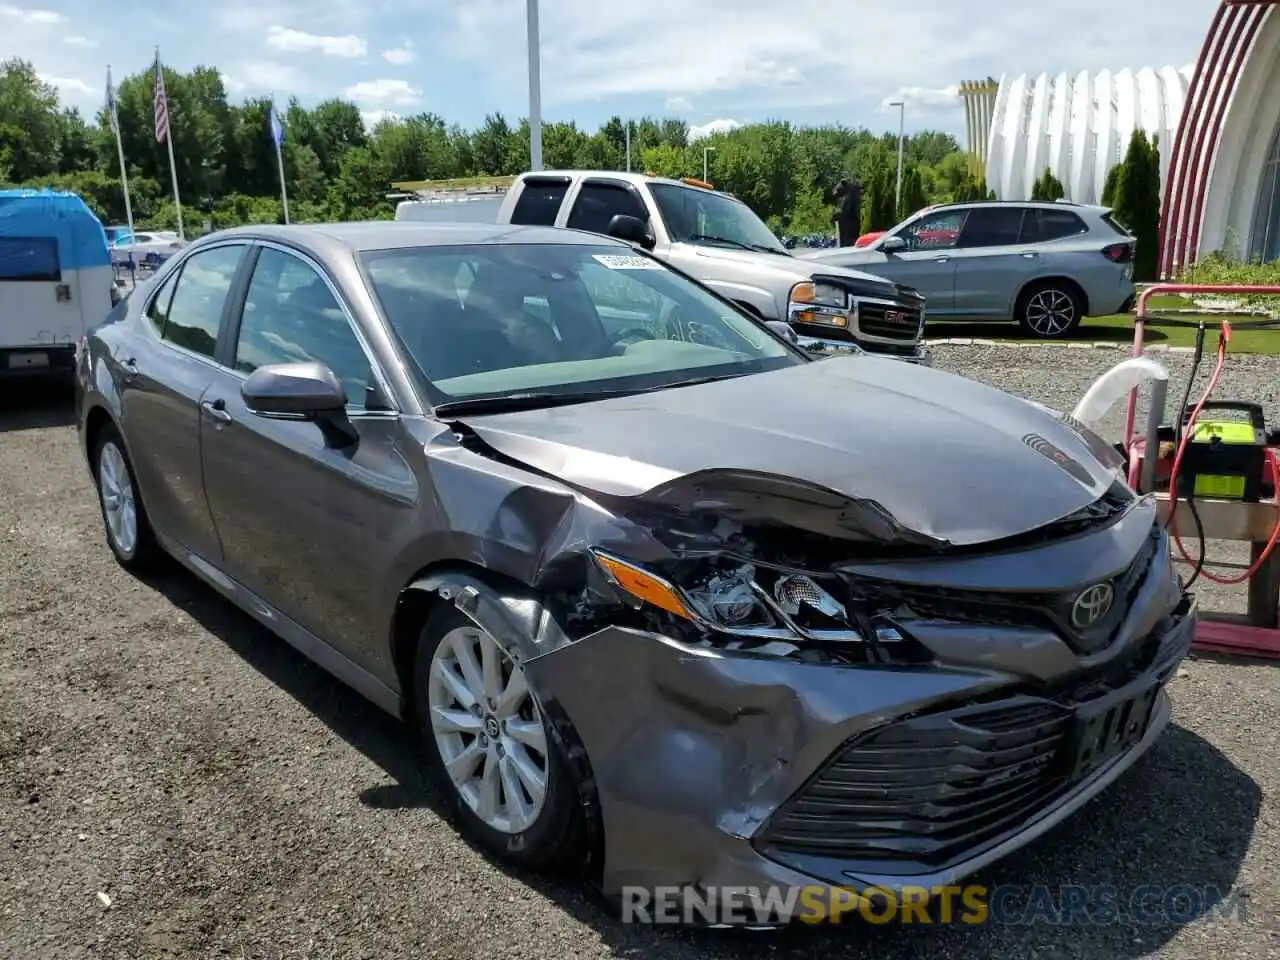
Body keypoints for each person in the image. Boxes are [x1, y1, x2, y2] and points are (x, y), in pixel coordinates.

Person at [832, 176, 863, 247]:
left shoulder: (849, 196)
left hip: (850, 228)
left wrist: (836, 215)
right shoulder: (854, 193)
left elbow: (845, 212)